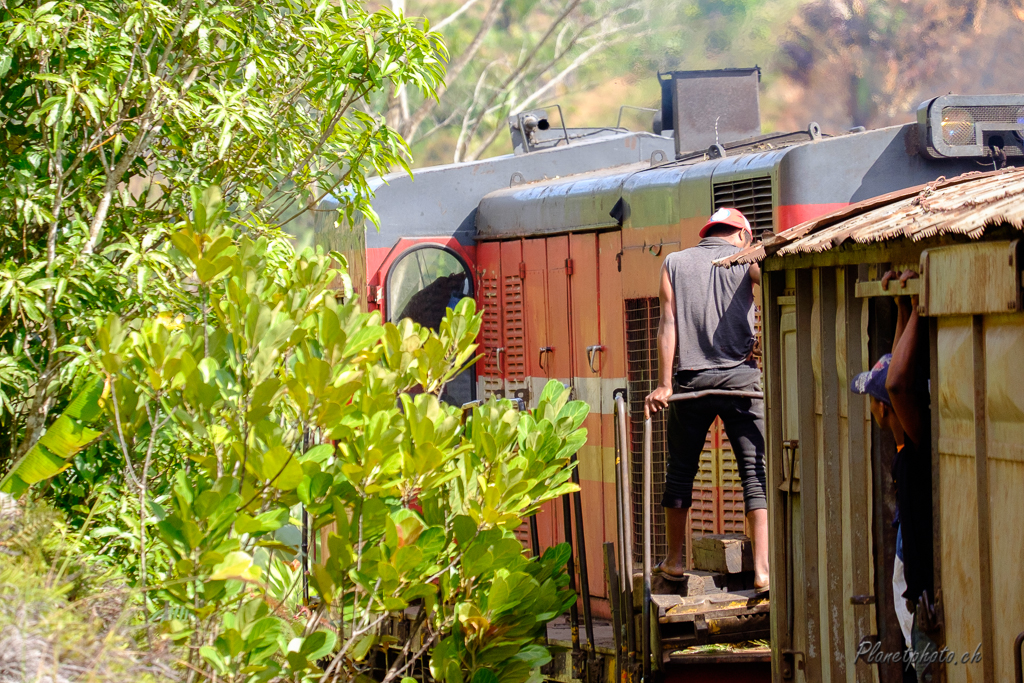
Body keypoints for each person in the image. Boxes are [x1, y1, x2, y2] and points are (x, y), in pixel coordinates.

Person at [644, 207, 769, 593]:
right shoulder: (749, 258)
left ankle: (676, 562)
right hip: (741, 380)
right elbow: (772, 286)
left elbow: (667, 322)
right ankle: (763, 570)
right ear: (742, 235)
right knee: (755, 472)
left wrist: (664, 384)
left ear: (708, 232)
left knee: (680, 472)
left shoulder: (674, 262)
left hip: (691, 381)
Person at [850, 269, 935, 680]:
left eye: (871, 397)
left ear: (883, 408)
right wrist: (903, 305)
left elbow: (898, 383)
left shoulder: (917, 446)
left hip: (925, 607)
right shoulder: (905, 446)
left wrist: (918, 309)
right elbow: (897, 381)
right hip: (917, 604)